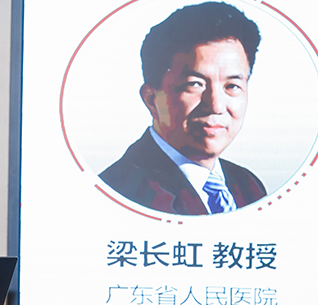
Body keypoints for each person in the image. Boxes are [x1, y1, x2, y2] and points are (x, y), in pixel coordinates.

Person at [100, 1, 267, 215]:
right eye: (195, 84)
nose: (216, 106)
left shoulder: (248, 185)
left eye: (232, 86)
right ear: (151, 99)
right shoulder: (120, 195)